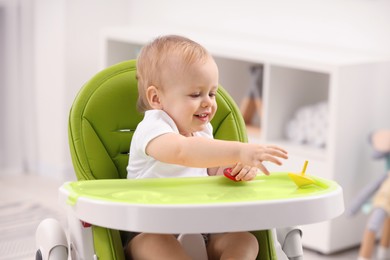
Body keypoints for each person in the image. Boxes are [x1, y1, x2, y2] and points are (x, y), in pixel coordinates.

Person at [126, 35, 288, 260]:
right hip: (150, 231)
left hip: (202, 231)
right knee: (157, 245)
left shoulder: (202, 130)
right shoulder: (153, 128)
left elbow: (213, 169)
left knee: (245, 241)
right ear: (156, 98)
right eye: (195, 94)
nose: (209, 103)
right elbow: (183, 152)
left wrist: (236, 169)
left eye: (212, 93)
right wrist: (240, 150)